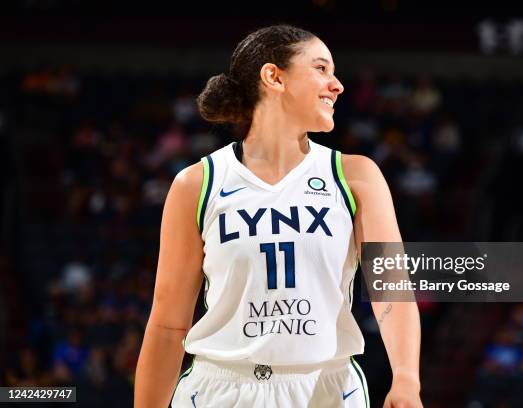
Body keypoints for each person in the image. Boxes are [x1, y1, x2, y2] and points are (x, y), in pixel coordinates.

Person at [135, 24, 422, 408]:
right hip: (221, 389)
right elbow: (168, 325)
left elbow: (393, 293)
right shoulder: (197, 184)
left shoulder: (355, 175)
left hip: (327, 388)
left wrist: (406, 378)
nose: (337, 85)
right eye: (321, 69)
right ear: (274, 77)